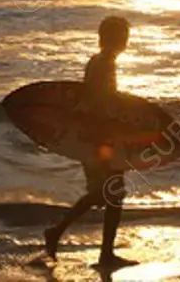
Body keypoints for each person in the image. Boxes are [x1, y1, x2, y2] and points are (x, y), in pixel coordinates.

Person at [44, 16, 136, 269]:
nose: (126, 41)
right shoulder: (104, 64)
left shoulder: (98, 61)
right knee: (111, 194)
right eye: (124, 37)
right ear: (114, 39)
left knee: (103, 194)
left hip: (95, 137)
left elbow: (95, 99)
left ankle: (60, 233)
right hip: (100, 138)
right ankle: (101, 253)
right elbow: (102, 102)